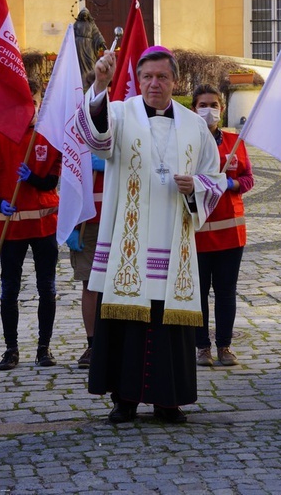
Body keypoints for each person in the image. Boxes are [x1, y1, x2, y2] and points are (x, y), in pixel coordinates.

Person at [75, 46, 226, 424]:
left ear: (175, 81)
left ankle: (167, 400)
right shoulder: (120, 113)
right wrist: (100, 84)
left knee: (168, 325)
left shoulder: (195, 125)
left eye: (162, 77)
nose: (154, 84)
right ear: (137, 81)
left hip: (174, 242)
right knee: (125, 323)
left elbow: (215, 175)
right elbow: (96, 140)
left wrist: (198, 185)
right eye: (147, 77)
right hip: (129, 243)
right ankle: (123, 401)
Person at [0, 79, 61, 371]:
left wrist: (32, 178)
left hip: (44, 227)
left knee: (47, 287)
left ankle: (44, 347)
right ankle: (11, 349)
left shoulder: (49, 138)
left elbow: (51, 182)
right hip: (12, 228)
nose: (27, 109)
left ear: (40, 104)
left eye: (33, 103)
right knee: (9, 289)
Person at [191, 84, 255, 367]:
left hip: (231, 233)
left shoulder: (235, 143)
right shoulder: (188, 143)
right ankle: (202, 347)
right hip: (198, 233)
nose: (208, 109)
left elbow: (249, 178)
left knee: (226, 292)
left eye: (213, 104)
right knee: (199, 293)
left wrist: (233, 183)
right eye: (202, 104)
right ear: (193, 109)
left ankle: (225, 346)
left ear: (222, 108)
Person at [65, 152, 105, 369]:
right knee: (89, 284)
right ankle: (93, 344)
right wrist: (69, 223)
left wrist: (111, 163)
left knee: (117, 286)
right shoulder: (77, 133)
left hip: (117, 217)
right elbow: (68, 180)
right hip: (85, 222)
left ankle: (113, 342)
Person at [74, 8, 107, 82]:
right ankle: (81, 80)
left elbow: (97, 34)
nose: (85, 17)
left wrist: (102, 43)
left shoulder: (91, 24)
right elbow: (71, 34)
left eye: (86, 15)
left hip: (89, 45)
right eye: (83, 15)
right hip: (78, 45)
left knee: (90, 61)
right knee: (79, 62)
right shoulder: (76, 24)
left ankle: (90, 79)